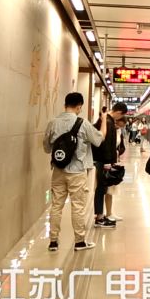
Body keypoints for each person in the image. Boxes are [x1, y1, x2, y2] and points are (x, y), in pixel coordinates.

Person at [42, 92, 106, 252]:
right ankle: (79, 242)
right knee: (77, 206)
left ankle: (53, 242)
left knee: (56, 206)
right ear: (79, 106)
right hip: (77, 171)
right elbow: (98, 140)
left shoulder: (53, 123)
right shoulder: (83, 123)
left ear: (65, 104)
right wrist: (104, 120)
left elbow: (47, 148)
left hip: (58, 170)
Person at [92, 102, 127, 228]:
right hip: (103, 161)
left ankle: (100, 216)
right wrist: (108, 162)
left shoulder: (106, 120)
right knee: (101, 189)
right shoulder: (108, 122)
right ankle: (99, 218)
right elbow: (106, 143)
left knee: (102, 188)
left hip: (102, 160)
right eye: (121, 116)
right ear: (119, 113)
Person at [104, 117, 128, 222]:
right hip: (105, 162)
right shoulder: (108, 129)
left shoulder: (119, 132)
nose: (120, 127)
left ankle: (109, 213)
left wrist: (117, 152)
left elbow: (122, 147)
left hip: (113, 162)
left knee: (111, 189)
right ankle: (101, 214)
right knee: (104, 189)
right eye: (120, 125)